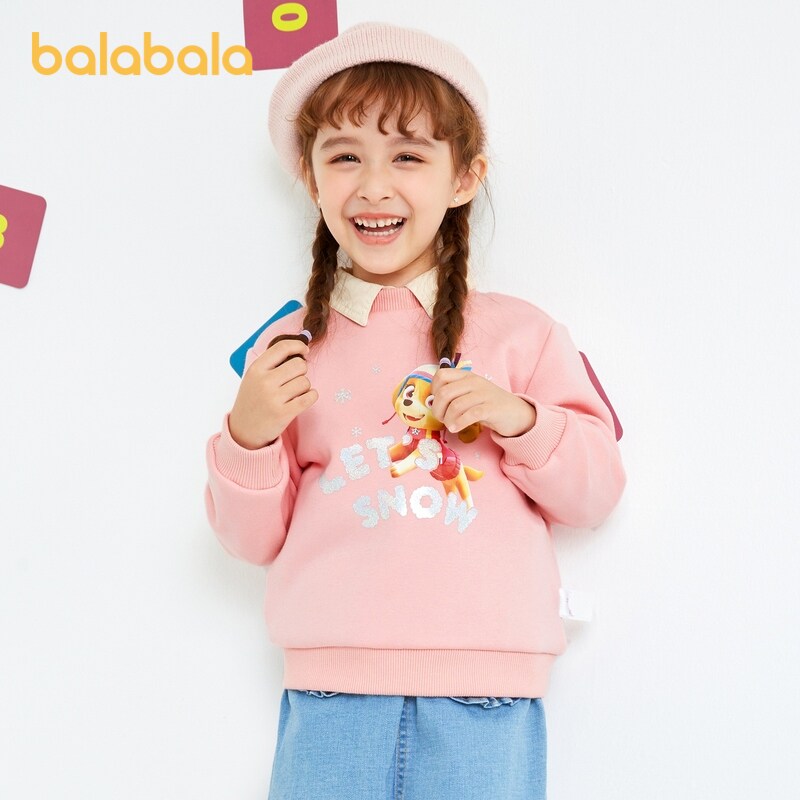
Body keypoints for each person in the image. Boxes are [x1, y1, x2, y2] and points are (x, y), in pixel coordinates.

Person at [204, 21, 626, 800]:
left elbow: (597, 491)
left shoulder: (524, 334)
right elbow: (248, 540)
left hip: (487, 693)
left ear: (464, 176)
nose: (373, 185)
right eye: (344, 156)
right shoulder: (288, 344)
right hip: (331, 695)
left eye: (407, 155)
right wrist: (248, 436)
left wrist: (519, 419)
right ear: (310, 177)